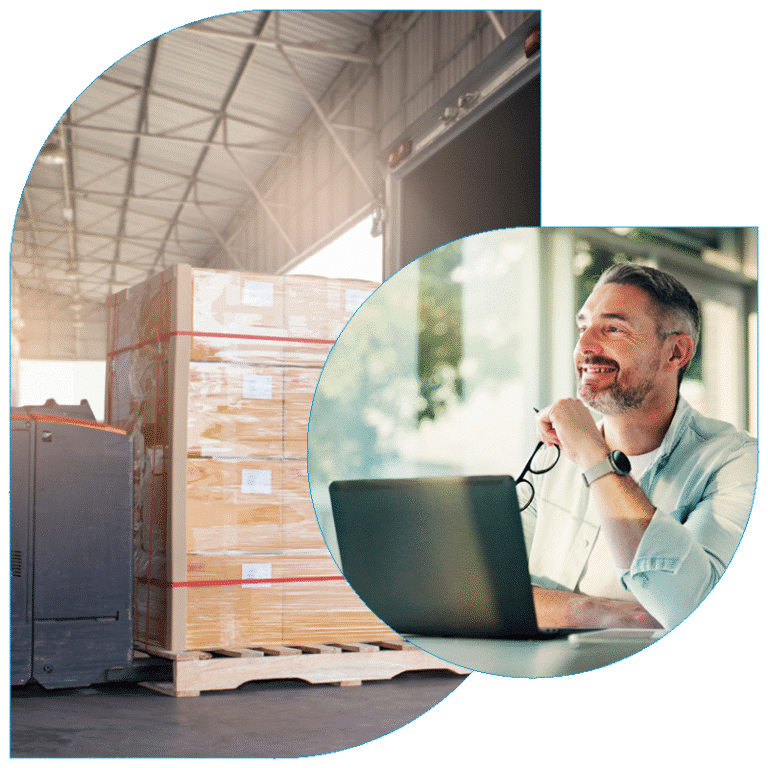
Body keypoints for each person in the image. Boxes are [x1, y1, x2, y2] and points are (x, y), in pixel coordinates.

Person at [522, 263, 757, 630]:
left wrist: (594, 458)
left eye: (613, 329)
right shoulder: (552, 455)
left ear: (676, 352)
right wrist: (609, 613)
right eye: (583, 328)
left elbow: (695, 610)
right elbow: (484, 593)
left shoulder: (736, 462)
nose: (584, 347)